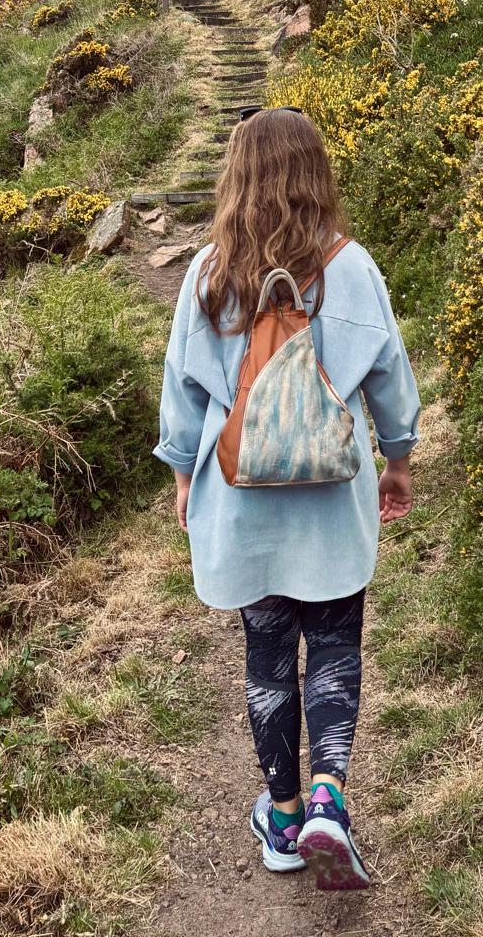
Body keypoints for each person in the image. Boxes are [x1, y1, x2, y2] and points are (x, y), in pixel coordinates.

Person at [155, 107, 421, 892]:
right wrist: (398, 462)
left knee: (267, 657)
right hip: (330, 503)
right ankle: (329, 805)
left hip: (241, 508)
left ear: (237, 177)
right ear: (316, 175)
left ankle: (280, 815)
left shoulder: (208, 272)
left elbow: (181, 395)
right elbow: (391, 381)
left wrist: (181, 479)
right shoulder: (353, 267)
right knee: (335, 648)